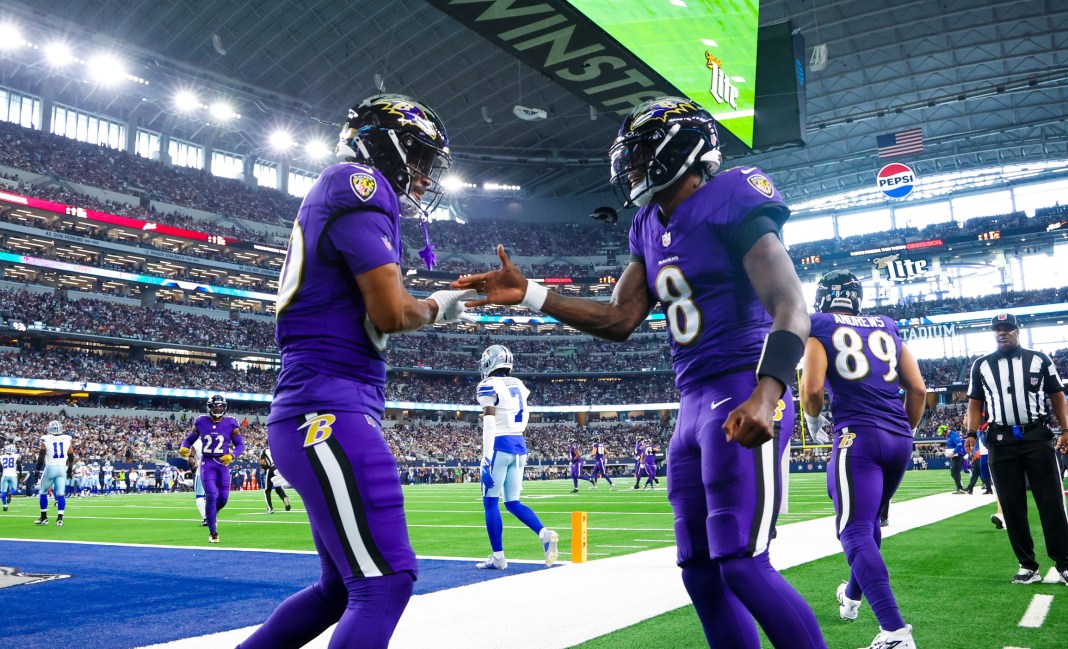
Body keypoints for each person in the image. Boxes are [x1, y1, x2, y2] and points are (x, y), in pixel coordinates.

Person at [453, 96, 826, 649]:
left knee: (743, 564)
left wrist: (767, 394)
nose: (630, 167)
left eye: (641, 153)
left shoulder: (733, 193)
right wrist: (531, 294)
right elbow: (621, 318)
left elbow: (791, 305)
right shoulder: (649, 222)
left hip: (742, 386)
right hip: (692, 402)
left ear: (682, 150)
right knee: (700, 570)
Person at [238, 93, 474, 649]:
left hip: (321, 404)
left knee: (339, 591)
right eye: (418, 157)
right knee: (385, 581)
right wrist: (438, 306)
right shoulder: (357, 185)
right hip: (326, 408)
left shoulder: (348, 192)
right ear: (386, 146)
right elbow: (390, 313)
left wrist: (443, 301)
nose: (422, 175)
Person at [800, 269, 926, 649]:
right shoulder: (887, 325)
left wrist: (813, 419)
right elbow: (917, 389)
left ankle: (894, 632)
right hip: (898, 437)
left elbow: (812, 388)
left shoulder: (818, 324)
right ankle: (852, 597)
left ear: (822, 298)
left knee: (852, 529)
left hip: (858, 434)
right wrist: (907, 431)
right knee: (868, 520)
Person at [964, 313, 1068, 586]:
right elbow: (974, 402)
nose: (1002, 333)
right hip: (1001, 439)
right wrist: (971, 433)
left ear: (1017, 331)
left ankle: (1065, 563)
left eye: (1007, 328)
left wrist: (1066, 430)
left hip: (1036, 435)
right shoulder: (982, 365)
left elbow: (1058, 395)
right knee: (1011, 505)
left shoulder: (1039, 359)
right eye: (998, 329)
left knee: (1051, 502)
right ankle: (1027, 565)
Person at [474, 344, 559, 570]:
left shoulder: (488, 385)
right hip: (519, 445)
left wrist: (485, 458)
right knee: (512, 502)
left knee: (490, 502)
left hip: (499, 445)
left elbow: (489, 425)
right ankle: (544, 533)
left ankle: (498, 557)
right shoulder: (519, 384)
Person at [179, 395, 245, 543]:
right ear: (209, 407)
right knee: (211, 494)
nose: (218, 409)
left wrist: (233, 455)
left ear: (225, 407)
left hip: (222, 463)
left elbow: (240, 445)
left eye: (221, 406)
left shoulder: (231, 423)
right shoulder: (201, 421)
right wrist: (184, 447)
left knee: (223, 498)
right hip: (207, 462)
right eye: (215, 406)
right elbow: (189, 439)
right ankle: (213, 532)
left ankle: (213, 514)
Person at [35, 420, 73, 526]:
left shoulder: (46, 438)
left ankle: (44, 518)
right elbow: (71, 456)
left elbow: (41, 457)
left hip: (50, 467)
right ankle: (60, 518)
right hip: (62, 468)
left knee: (43, 492)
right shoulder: (67, 438)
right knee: (61, 494)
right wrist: (70, 470)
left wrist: (37, 471)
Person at [259, 446, 292, 514]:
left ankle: (270, 508)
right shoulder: (276, 448)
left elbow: (262, 462)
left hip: (270, 469)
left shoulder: (264, 451)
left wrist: (265, 468)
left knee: (267, 490)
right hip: (278, 468)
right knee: (278, 488)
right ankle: (285, 498)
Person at [946, 427, 966, 493]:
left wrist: (953, 452)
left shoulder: (953, 435)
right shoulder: (950, 435)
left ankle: (960, 488)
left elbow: (959, 444)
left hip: (957, 455)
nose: (944, 435)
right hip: (954, 456)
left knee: (954, 472)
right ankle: (960, 488)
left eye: (944, 433)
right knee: (955, 472)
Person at [1, 443, 20, 511]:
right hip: (13, 475)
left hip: (5, 475)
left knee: (3, 492)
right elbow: (19, 464)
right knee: (14, 490)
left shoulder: (1, 457)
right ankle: (10, 493)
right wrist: (20, 473)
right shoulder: (16, 456)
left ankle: (5, 506)